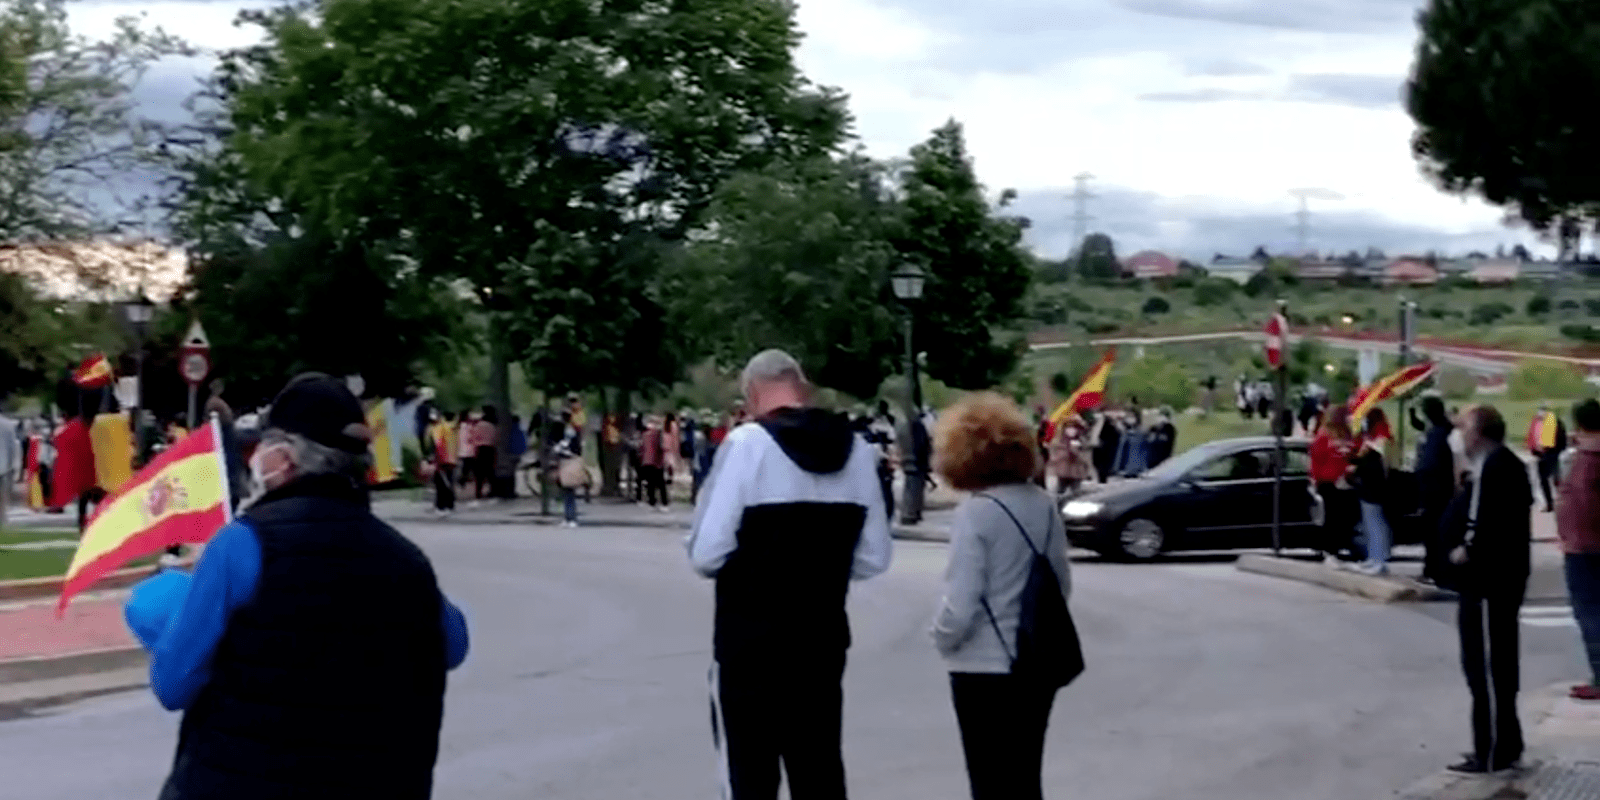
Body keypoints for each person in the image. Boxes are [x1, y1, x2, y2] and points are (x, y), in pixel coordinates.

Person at [123, 373, 469, 800]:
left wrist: (182, 586)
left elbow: (172, 682)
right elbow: (454, 645)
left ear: (283, 460)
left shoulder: (242, 546)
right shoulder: (407, 561)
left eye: (263, 446)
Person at [687, 349, 892, 800]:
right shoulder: (857, 451)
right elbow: (874, 557)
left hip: (750, 645)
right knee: (818, 769)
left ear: (753, 392)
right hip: (820, 642)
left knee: (748, 775)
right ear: (801, 386)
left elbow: (706, 553)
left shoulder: (747, 446)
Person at [930, 392, 1073, 800]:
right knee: (1025, 777)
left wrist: (941, 637)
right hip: (1035, 662)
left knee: (988, 780)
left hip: (982, 668)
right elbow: (1060, 582)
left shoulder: (975, 512)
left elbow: (962, 600)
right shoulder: (1043, 506)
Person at [1439, 405, 1533, 774]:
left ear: (1479, 433)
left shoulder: (1495, 469)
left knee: (1488, 670)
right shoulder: (1499, 466)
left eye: (1465, 427)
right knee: (1496, 669)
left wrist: (1465, 552)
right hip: (1497, 582)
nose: (1461, 434)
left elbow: (1483, 526)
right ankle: (1505, 743)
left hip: (1488, 585)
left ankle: (1492, 750)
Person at [1555, 399, 1600, 701]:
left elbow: (1584, 504)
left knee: (1589, 611)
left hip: (1584, 546)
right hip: (1585, 542)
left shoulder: (1587, 458)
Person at [1412, 396, 1456, 584]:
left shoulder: (1440, 433)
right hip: (1435, 487)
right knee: (1434, 532)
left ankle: (1436, 570)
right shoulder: (1439, 430)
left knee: (1435, 532)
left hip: (1436, 489)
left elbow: (1432, 464)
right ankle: (1434, 568)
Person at [1310, 406, 1359, 564]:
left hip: (1346, 482)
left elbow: (1354, 454)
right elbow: (1317, 460)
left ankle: (1344, 548)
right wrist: (1317, 480)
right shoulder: (1324, 437)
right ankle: (1330, 551)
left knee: (1345, 518)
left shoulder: (1349, 436)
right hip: (1329, 482)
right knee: (1332, 518)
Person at [1350, 409, 1393, 576]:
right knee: (1370, 524)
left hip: (1374, 487)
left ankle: (1379, 560)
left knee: (1376, 524)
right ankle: (1373, 557)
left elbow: (1379, 462)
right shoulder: (1369, 438)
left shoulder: (1380, 440)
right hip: (1367, 486)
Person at [1527, 403, 1568, 513]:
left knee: (1556, 479)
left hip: (1552, 453)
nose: (1541, 414)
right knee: (1543, 480)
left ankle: (1562, 503)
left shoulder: (1554, 422)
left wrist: (1558, 450)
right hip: (1540, 454)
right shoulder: (1536, 422)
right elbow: (1532, 435)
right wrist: (1533, 449)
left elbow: (1562, 437)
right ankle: (1549, 504)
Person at [554, 412, 584, 527]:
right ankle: (568, 517)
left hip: (570, 463)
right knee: (566, 493)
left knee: (569, 492)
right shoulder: (568, 432)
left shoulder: (572, 434)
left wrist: (562, 450)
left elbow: (575, 449)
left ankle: (571, 518)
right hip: (566, 463)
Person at [902, 409, 932, 525]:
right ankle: (911, 514)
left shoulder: (907, 426)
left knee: (910, 488)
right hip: (917, 462)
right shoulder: (918, 426)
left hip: (909, 461)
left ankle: (910, 513)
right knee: (915, 489)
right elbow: (922, 445)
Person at [425, 410, 457, 515]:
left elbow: (437, 445)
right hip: (451, 459)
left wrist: (435, 458)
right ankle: (449, 504)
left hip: (442, 459)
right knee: (447, 482)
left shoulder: (437, 429)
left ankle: (441, 506)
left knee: (441, 483)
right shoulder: (448, 426)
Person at [640, 414, 668, 510]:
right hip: (657, 461)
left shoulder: (645, 434)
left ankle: (652, 502)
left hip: (648, 461)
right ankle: (664, 503)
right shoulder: (658, 434)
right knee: (661, 484)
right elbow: (662, 448)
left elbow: (642, 448)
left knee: (650, 483)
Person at [472, 406, 498, 501]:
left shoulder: (478, 425)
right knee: (490, 471)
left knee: (479, 473)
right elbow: (495, 439)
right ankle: (493, 491)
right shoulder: (493, 426)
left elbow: (474, 438)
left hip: (480, 449)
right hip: (490, 449)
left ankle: (478, 492)